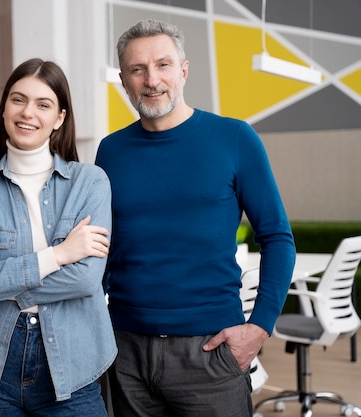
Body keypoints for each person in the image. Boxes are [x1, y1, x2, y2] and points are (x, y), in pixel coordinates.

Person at [95, 19, 296, 417]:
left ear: (184, 70)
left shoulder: (235, 139)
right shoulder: (110, 151)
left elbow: (276, 237)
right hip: (126, 353)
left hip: (210, 353)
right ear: (124, 79)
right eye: (138, 69)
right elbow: (103, 245)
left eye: (163, 65)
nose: (152, 80)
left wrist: (259, 327)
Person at [0, 58, 117, 416]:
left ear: (60, 118)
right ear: (4, 107)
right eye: (18, 99)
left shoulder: (91, 182)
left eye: (43, 104)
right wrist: (59, 255)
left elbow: (85, 279)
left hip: (75, 365)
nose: (28, 113)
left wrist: (0, 286)